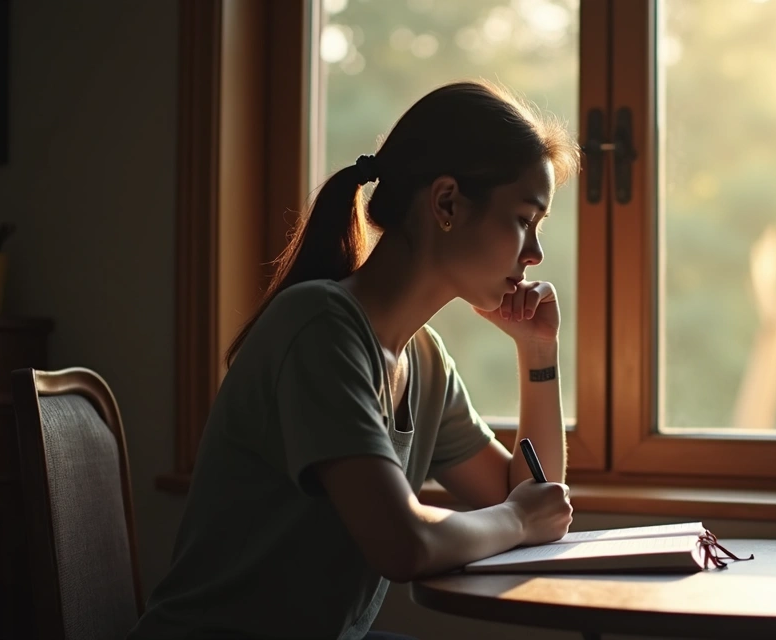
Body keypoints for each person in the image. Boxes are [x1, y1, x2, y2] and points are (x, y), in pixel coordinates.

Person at [128, 80, 579, 640]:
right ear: (446, 203)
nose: (535, 253)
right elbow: (404, 543)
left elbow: (533, 497)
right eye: (524, 220)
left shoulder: (425, 361)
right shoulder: (320, 327)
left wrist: (538, 353)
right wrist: (516, 520)